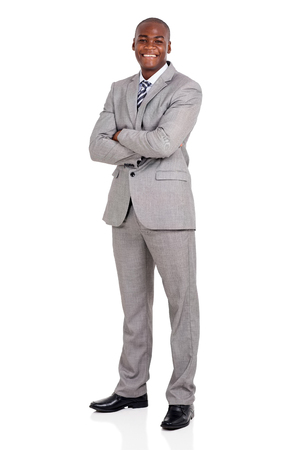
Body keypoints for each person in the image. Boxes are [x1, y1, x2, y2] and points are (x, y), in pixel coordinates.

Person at [88, 17, 202, 430]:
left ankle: (181, 397)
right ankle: (132, 389)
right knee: (134, 308)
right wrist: (137, 139)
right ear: (133, 44)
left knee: (181, 306)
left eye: (158, 40)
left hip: (170, 209)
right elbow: (94, 146)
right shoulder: (118, 88)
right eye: (143, 39)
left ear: (169, 47)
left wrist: (120, 135)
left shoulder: (186, 89)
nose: (149, 46)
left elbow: (165, 143)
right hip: (124, 209)